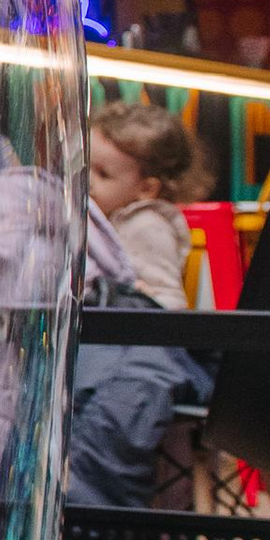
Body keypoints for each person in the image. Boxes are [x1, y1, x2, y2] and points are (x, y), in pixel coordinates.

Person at [65, 99, 210, 514]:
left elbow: (164, 306)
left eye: (104, 174)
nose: (87, 182)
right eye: (86, 166)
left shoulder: (145, 224)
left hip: (141, 348)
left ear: (146, 188)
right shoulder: (108, 222)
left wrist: (136, 290)